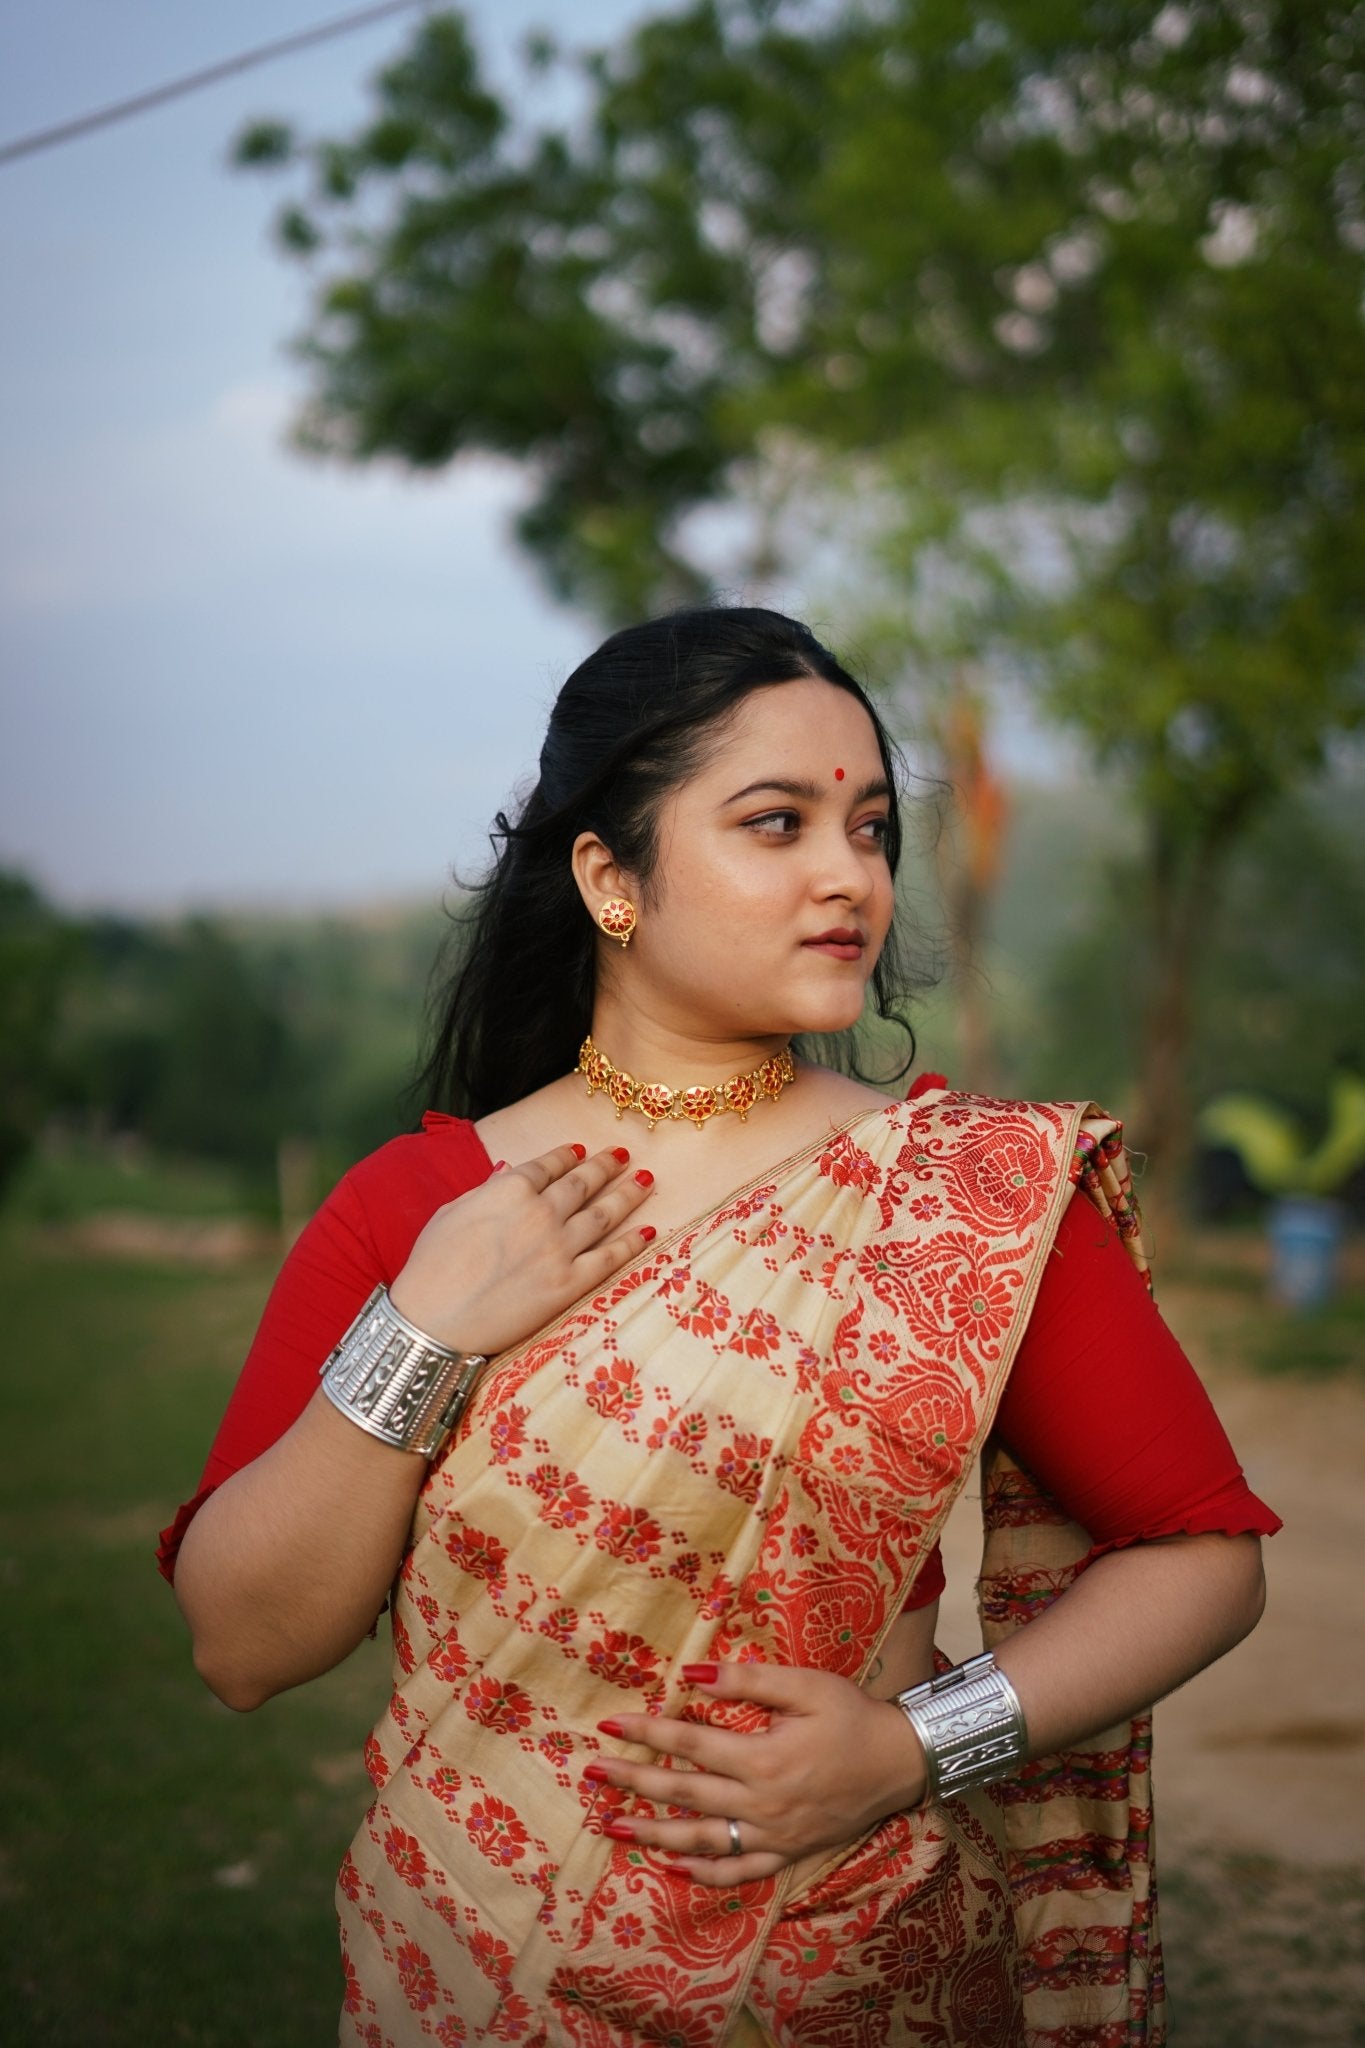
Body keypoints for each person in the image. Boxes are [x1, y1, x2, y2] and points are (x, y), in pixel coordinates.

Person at [160, 607, 1278, 2048]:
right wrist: (423, 1328)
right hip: (476, 1978)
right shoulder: (424, 1209)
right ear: (608, 878)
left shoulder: (960, 1195)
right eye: (776, 824)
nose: (848, 877)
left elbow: (1201, 1557)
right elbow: (241, 1647)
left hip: (858, 1977)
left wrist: (909, 1750)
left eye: (870, 829)